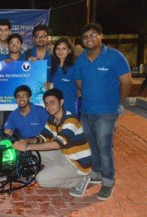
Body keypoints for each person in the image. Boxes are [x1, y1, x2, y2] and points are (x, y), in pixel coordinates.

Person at [74, 23, 132, 200]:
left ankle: (108, 182)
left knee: (104, 147)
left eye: (93, 35)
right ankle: (97, 172)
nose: (89, 39)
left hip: (107, 112)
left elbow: (127, 82)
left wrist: (118, 104)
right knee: (92, 144)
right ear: (82, 42)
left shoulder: (115, 56)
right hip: (87, 111)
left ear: (101, 36)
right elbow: (79, 83)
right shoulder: (81, 60)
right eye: (86, 37)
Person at [13, 88, 92, 197]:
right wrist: (27, 141)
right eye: (46, 104)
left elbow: (57, 144)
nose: (49, 107)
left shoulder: (71, 120)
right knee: (35, 151)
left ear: (61, 102)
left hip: (77, 163)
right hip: (64, 155)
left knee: (41, 179)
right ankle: (56, 171)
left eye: (52, 103)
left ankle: (80, 181)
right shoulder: (52, 119)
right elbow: (42, 137)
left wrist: (27, 147)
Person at [50, 37, 78, 115]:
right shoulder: (54, 66)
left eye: (64, 48)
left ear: (69, 50)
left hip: (69, 108)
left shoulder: (74, 67)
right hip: (55, 108)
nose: (60, 51)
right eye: (58, 48)